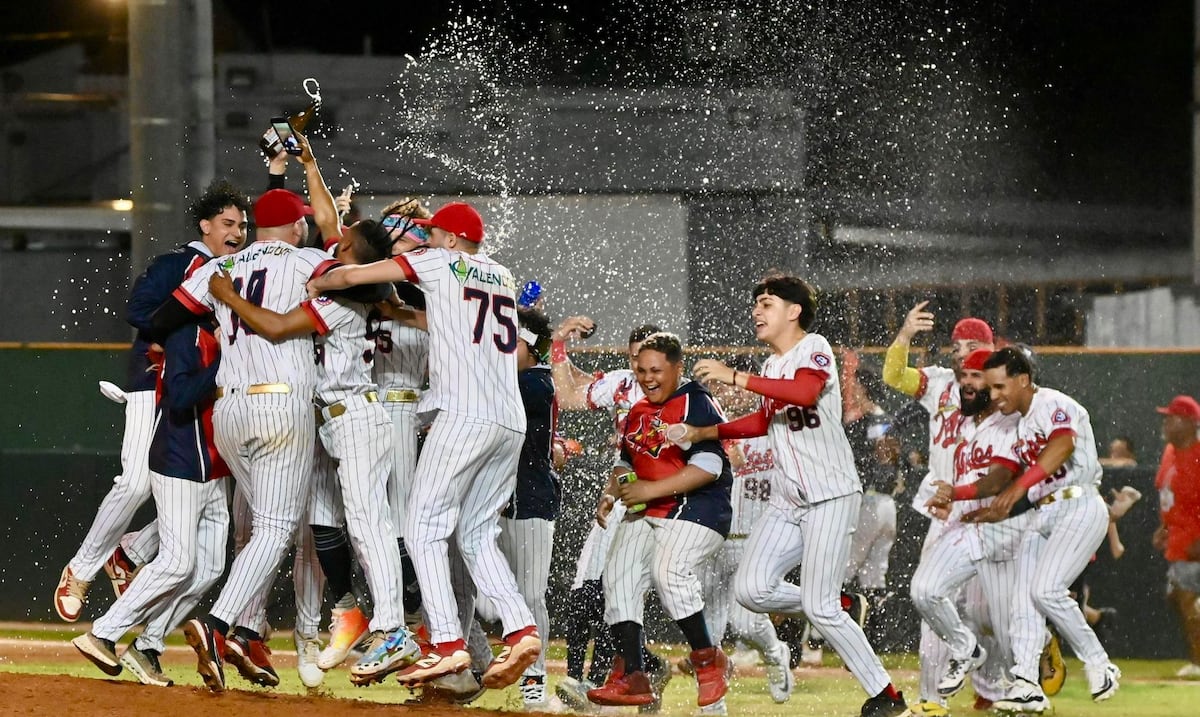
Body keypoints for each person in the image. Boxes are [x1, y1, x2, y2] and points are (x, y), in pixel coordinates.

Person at [305, 200, 541, 690]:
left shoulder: (439, 260)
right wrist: (405, 313)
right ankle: (521, 630)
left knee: (422, 527)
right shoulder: (501, 274)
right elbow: (455, 327)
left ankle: (448, 646)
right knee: (475, 534)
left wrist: (322, 280)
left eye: (435, 233)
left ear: (452, 240)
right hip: (508, 422)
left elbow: (355, 277)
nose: (429, 239)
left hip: (463, 415)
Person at [206, 149, 419, 687]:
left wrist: (228, 292)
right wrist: (306, 164)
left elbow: (278, 327)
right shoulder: (336, 275)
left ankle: (395, 625)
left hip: (357, 415)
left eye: (343, 245)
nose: (332, 242)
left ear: (356, 257)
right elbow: (327, 222)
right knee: (322, 524)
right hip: (324, 420)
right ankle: (343, 614)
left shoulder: (343, 289)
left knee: (370, 523)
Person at [675, 274, 910, 717]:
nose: (756, 311)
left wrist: (733, 376)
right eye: (756, 304)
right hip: (788, 501)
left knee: (818, 607)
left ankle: (887, 696)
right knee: (751, 590)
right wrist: (706, 431)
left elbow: (804, 392)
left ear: (794, 310)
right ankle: (835, 604)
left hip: (830, 495)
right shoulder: (769, 367)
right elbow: (762, 423)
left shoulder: (813, 346)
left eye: (766, 303)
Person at [53, 180, 249, 623]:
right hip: (154, 380)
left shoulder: (238, 270)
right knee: (138, 482)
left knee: (208, 489)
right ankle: (80, 570)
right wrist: (188, 322)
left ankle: (130, 553)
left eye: (243, 224)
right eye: (228, 222)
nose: (237, 231)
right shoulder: (178, 262)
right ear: (205, 224)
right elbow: (138, 310)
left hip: (206, 388)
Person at [946, 347, 1120, 712]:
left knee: (1046, 590)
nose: (994, 396)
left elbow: (1062, 443)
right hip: (1045, 511)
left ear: (1023, 379)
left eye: (999, 386)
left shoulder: (1052, 402)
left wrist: (1018, 488)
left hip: (1079, 504)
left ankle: (1098, 662)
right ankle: (1026, 682)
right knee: (1024, 602)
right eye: (990, 389)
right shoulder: (1021, 424)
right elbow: (1020, 482)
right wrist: (1001, 508)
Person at [70, 318, 230, 688]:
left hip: (213, 464)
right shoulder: (187, 334)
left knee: (208, 567)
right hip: (180, 459)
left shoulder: (216, 337)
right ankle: (103, 634)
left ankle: (147, 646)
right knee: (177, 562)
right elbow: (182, 394)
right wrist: (226, 361)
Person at [587, 332, 733, 711]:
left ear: (677, 367)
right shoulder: (638, 411)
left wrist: (648, 492)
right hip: (651, 509)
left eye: (656, 370)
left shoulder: (695, 401)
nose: (647, 378)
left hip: (698, 509)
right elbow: (626, 463)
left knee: (669, 573)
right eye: (640, 370)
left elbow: (710, 466)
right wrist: (611, 493)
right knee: (617, 580)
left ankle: (707, 658)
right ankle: (633, 675)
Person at [880, 302, 1000, 715]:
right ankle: (930, 699)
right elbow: (893, 374)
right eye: (956, 345)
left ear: (991, 347)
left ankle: (995, 685)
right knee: (931, 600)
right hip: (945, 511)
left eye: (973, 344)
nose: (962, 351)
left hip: (990, 512)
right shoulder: (939, 383)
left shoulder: (1004, 390)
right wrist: (906, 334)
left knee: (987, 612)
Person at [549, 319, 674, 712]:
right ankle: (597, 677)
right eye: (636, 359)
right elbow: (568, 394)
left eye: (651, 361)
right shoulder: (624, 384)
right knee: (585, 591)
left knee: (613, 593)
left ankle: (604, 684)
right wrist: (557, 344)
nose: (643, 369)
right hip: (620, 496)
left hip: (655, 504)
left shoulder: (681, 394)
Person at [915, 349, 1023, 705]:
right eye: (964, 376)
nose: (966, 384)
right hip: (963, 526)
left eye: (976, 377)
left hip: (1001, 531)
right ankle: (933, 699)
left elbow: (998, 479)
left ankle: (1022, 689)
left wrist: (956, 493)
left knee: (994, 621)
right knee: (925, 593)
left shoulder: (1012, 423)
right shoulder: (963, 423)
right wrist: (951, 500)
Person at [696, 354, 795, 706]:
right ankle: (714, 704)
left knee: (747, 625)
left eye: (729, 384)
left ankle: (774, 654)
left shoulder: (771, 427)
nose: (726, 393)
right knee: (708, 627)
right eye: (717, 386)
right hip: (715, 537)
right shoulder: (706, 430)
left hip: (757, 539)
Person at [497, 307, 558, 709]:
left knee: (531, 594)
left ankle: (535, 676)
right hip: (502, 501)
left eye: (511, 339)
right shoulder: (522, 378)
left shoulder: (534, 383)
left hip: (532, 501)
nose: (502, 347)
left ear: (531, 347)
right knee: (495, 593)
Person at [1152, 395, 1200, 678]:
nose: (1166, 423)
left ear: (1189, 423)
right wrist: (1164, 527)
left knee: (1186, 600)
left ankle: (1198, 663)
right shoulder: (1170, 451)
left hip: (1194, 543)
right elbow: (1168, 494)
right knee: (1178, 598)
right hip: (1178, 539)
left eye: (1171, 418)